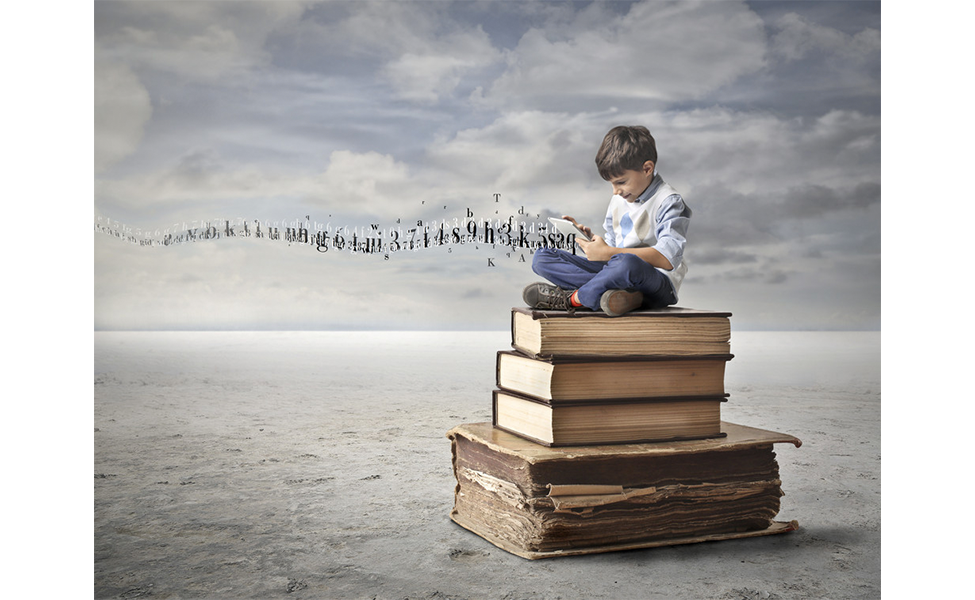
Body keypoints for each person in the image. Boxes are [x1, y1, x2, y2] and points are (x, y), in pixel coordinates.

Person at [523, 125, 691, 317]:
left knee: (627, 263)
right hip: (619, 270)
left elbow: (668, 259)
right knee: (542, 257)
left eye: (621, 182)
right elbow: (611, 252)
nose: (615, 191)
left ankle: (572, 299)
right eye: (611, 184)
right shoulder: (618, 200)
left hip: (658, 281)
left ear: (647, 168)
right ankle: (620, 296)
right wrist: (592, 241)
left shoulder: (669, 201)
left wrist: (608, 252)